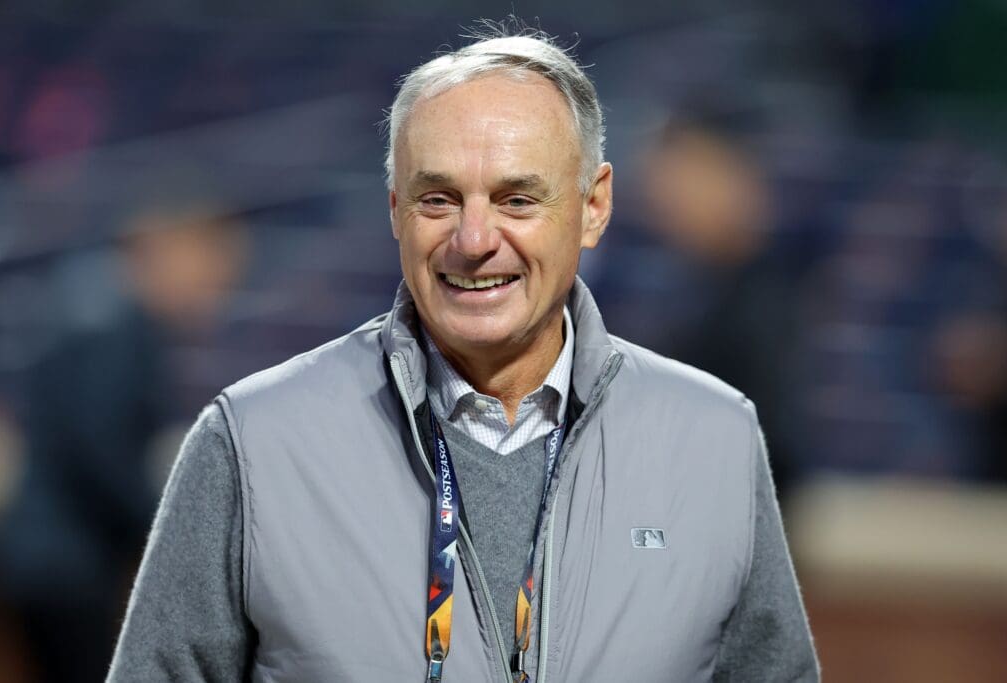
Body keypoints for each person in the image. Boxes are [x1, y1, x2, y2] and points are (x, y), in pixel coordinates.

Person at [108, 28, 818, 682]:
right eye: (439, 199)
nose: (474, 239)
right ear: (394, 208)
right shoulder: (250, 444)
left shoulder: (718, 439)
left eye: (517, 199)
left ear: (593, 206)